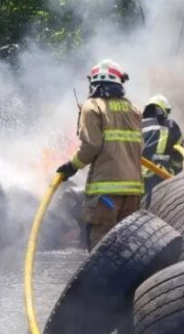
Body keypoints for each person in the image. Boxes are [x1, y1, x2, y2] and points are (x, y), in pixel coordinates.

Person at [56, 59, 144, 250]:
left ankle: (103, 282)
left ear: (95, 83)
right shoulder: (134, 109)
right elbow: (138, 148)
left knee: (102, 250)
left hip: (106, 193)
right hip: (133, 193)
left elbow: (92, 145)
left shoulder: (93, 106)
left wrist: (72, 166)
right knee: (127, 249)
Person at [141, 94, 184, 200]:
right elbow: (179, 156)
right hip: (162, 179)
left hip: (137, 180)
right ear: (164, 110)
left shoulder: (137, 124)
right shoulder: (171, 126)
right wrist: (172, 173)